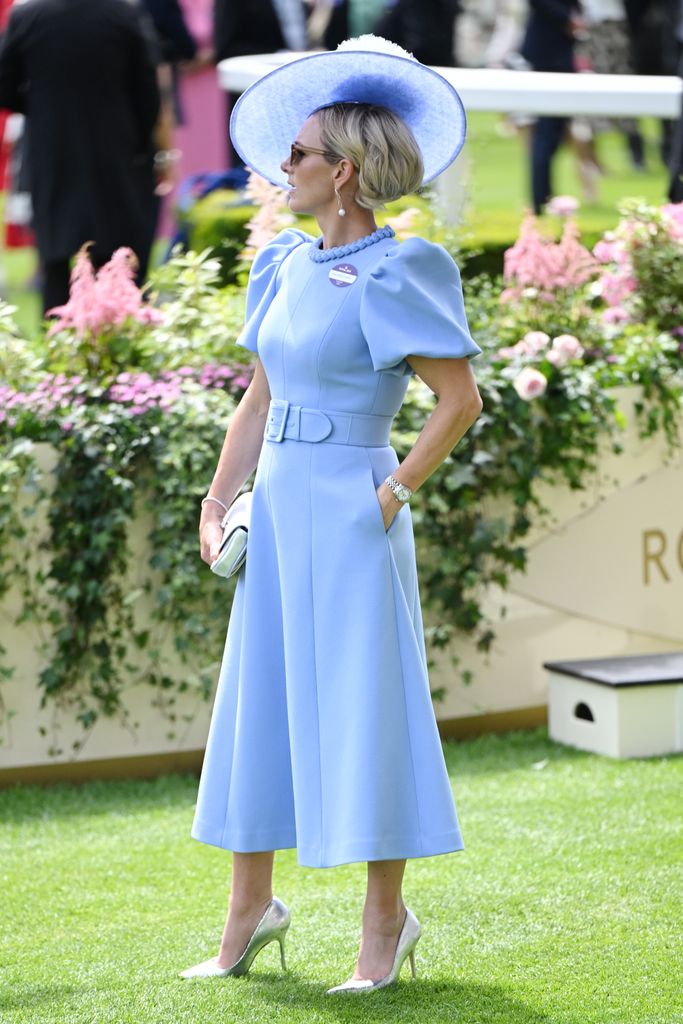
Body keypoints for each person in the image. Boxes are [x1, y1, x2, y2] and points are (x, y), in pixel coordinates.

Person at [183, 35, 483, 993]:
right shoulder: (281, 264)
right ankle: (247, 912)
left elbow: (458, 400)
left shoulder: (405, 268)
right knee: (258, 702)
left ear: (344, 171)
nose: (282, 169)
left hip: (355, 505)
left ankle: (384, 926)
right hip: (275, 507)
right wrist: (219, 495)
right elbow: (256, 398)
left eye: (301, 156)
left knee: (366, 707)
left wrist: (389, 494)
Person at [0, 0, 161, 313]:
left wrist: (40, 107)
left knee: (58, 261)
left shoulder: (28, 15)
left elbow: (4, 84)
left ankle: (59, 347)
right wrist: (143, 145)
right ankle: (123, 341)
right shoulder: (122, 14)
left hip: (52, 150)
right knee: (119, 257)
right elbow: (147, 92)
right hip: (116, 151)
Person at [520, 0, 585, 213]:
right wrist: (568, 19)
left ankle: (544, 196)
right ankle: (540, 198)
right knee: (546, 133)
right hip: (548, 51)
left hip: (556, 49)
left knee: (551, 132)